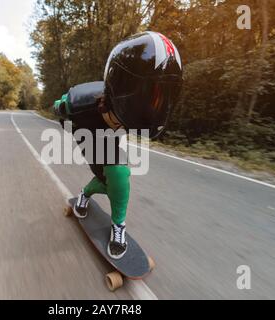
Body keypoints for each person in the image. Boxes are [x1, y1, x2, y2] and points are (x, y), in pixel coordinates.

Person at [54, 31, 183, 260]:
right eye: (151, 92)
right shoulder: (81, 100)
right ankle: (86, 193)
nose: (156, 104)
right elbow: (61, 105)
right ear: (125, 86)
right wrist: (61, 111)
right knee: (105, 179)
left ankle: (118, 225)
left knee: (118, 174)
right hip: (88, 132)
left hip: (111, 135)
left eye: (162, 94)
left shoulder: (140, 110)